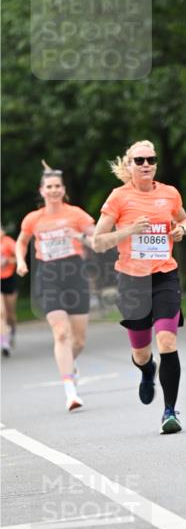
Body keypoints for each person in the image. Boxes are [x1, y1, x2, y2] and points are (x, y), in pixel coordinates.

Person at [92, 140, 186, 435]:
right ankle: (147, 371)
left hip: (164, 276)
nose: (146, 164)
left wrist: (180, 229)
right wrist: (129, 230)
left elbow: (184, 219)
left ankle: (170, 412)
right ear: (129, 165)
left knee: (167, 342)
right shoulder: (119, 198)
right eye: (139, 160)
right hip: (132, 280)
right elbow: (98, 241)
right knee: (142, 353)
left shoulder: (169, 193)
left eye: (151, 159)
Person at [15, 163, 96, 410]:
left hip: (74, 273)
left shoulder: (77, 215)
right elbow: (21, 242)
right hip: (48, 274)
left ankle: (71, 363)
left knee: (79, 340)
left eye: (57, 186)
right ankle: (70, 391)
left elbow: (96, 240)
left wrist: (80, 237)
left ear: (63, 189)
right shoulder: (33, 219)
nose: (53, 190)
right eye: (48, 187)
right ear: (41, 190)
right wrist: (20, 261)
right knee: (61, 332)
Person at [1, 227, 19, 356]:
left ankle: (12, 332)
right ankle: (4, 342)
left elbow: (19, 257)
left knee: (10, 314)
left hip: (9, 279)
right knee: (1, 313)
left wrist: (7, 260)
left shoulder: (8, 242)